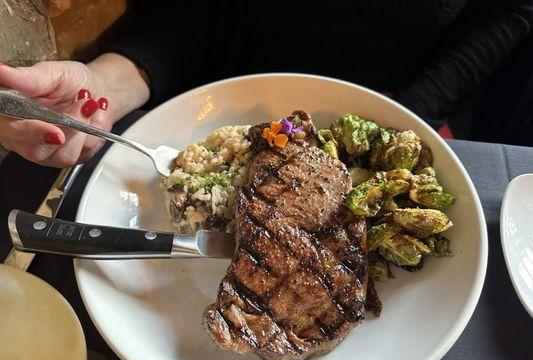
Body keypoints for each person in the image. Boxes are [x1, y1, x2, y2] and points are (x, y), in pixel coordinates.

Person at [1, 0, 532, 168]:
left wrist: (379, 132)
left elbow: (493, 27)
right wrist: (105, 86)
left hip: (399, 107)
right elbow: (198, 15)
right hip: (215, 102)